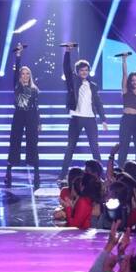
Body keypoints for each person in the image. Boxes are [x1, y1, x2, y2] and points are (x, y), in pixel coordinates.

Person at [58, 45, 108, 182]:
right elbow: (66, 69)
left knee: (95, 148)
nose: (84, 72)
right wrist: (67, 52)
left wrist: (103, 119)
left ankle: (101, 175)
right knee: (70, 147)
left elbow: (98, 103)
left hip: (90, 119)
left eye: (86, 70)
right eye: (82, 70)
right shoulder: (73, 82)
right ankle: (62, 175)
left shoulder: (93, 86)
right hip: (76, 118)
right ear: (77, 71)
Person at [4, 43, 41, 189]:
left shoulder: (34, 89)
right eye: (23, 74)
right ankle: (8, 172)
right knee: (14, 142)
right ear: (20, 76)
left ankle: (36, 173)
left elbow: (37, 107)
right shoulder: (17, 86)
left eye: (27, 74)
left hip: (31, 116)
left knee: (33, 143)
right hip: (19, 115)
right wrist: (18, 56)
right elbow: (15, 71)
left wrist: (39, 122)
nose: (25, 76)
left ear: (30, 76)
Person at [117, 53, 136, 170]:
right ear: (130, 82)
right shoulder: (126, 90)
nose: (134, 82)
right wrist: (124, 61)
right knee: (124, 146)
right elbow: (124, 74)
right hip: (127, 119)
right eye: (132, 80)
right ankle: (120, 170)